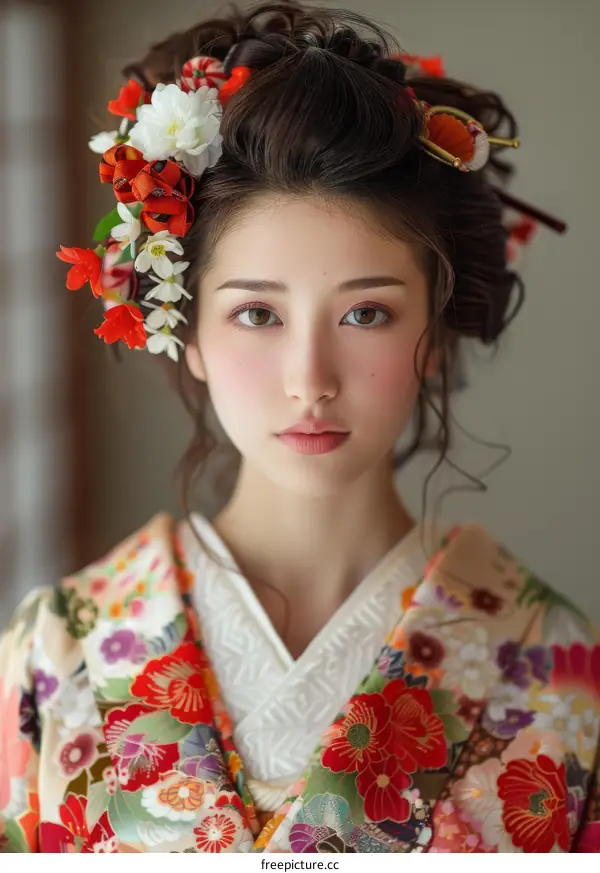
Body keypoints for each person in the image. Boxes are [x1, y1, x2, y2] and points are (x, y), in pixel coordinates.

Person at [0, 0, 598, 854]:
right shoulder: (55, 645)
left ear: (435, 330)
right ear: (188, 332)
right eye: (255, 315)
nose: (309, 381)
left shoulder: (557, 665)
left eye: (365, 314)